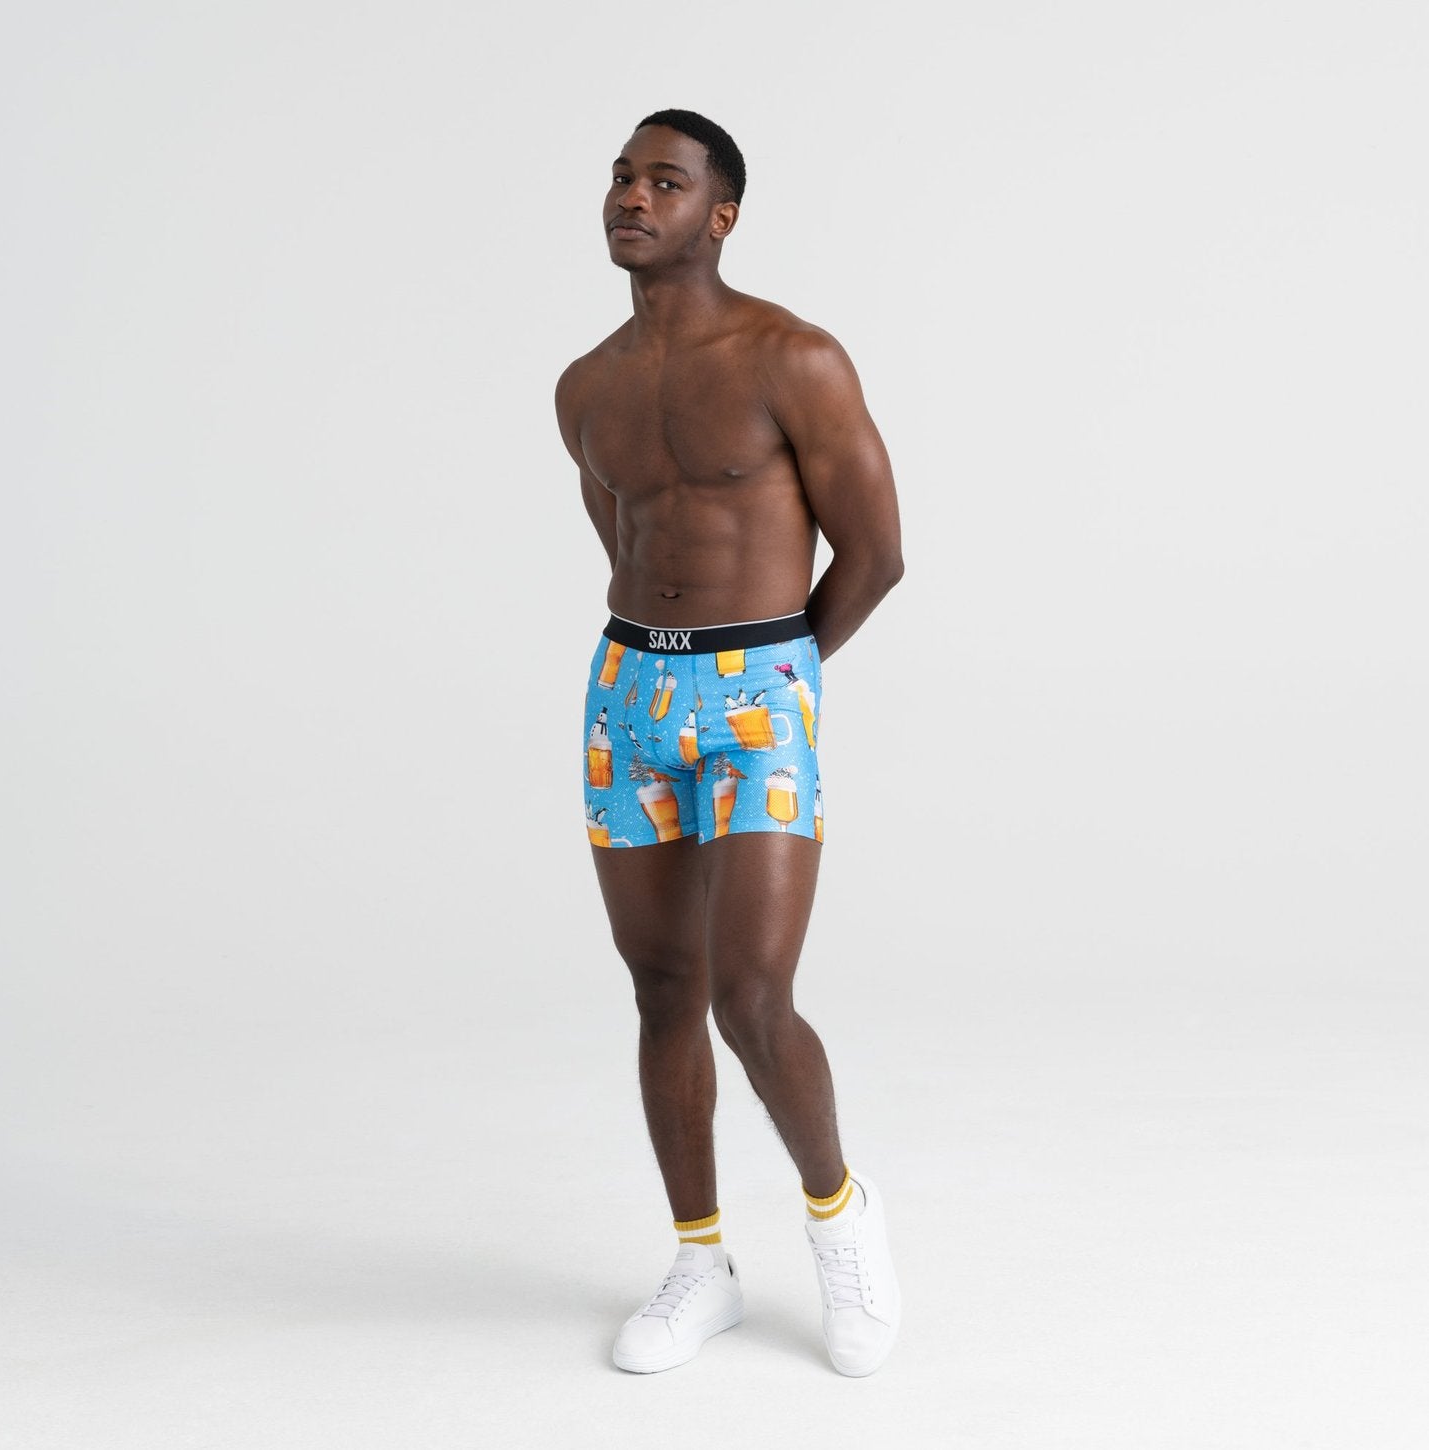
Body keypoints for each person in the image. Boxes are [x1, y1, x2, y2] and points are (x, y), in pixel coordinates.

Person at [554, 109, 905, 1377]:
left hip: (758, 688)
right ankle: (700, 1262)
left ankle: (839, 1217)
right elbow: (626, 545)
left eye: (664, 181)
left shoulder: (791, 356)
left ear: (721, 215)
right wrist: (673, 662)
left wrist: (776, 673)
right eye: (621, 177)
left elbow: (875, 554)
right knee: (662, 986)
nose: (631, 197)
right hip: (627, 696)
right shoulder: (585, 386)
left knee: (751, 995)